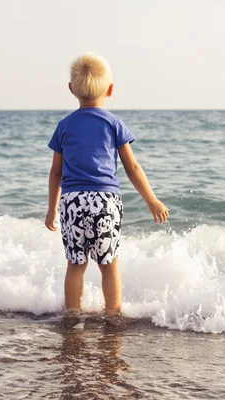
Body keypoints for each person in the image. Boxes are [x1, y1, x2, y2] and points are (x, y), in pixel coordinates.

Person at [45, 52, 169, 318]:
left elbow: (55, 173)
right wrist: (152, 200)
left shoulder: (64, 126)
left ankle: (72, 314)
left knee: (76, 263)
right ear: (110, 89)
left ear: (71, 90)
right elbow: (132, 167)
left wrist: (51, 209)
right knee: (109, 263)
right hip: (105, 201)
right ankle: (113, 315)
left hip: (72, 201)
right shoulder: (113, 123)